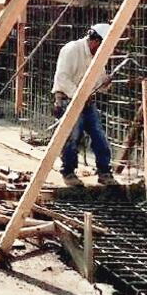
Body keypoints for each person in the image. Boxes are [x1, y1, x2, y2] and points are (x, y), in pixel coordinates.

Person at [52, 23, 117, 187]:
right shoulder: (72, 50)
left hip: (87, 102)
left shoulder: (98, 55)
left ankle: (104, 171)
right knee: (72, 136)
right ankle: (68, 172)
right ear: (96, 41)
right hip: (67, 99)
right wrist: (79, 96)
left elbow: (99, 82)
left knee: (99, 135)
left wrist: (106, 82)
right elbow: (62, 79)